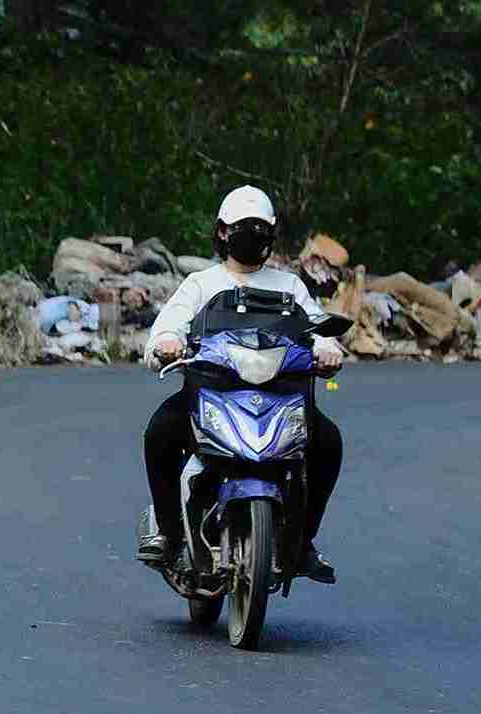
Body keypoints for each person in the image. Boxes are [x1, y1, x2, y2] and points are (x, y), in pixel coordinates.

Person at [139, 186, 346, 583]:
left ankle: (302, 542)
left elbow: (318, 330)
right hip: (210, 395)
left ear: (272, 232)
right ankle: (168, 533)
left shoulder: (290, 286)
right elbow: (167, 327)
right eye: (242, 227)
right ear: (222, 231)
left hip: (281, 399)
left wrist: (327, 350)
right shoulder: (201, 283)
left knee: (328, 442)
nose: (252, 235)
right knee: (160, 432)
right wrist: (166, 343)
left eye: (259, 228)